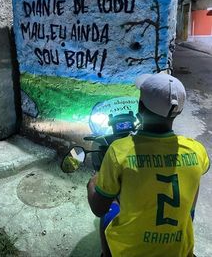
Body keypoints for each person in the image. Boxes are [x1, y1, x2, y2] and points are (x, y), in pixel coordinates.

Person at [87, 73, 210, 257]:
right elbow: (199, 174)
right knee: (194, 175)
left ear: (140, 108)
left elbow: (98, 208)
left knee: (107, 208)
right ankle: (187, 217)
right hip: (179, 251)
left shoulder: (119, 151)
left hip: (129, 252)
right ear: (178, 112)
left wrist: (92, 184)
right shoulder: (196, 150)